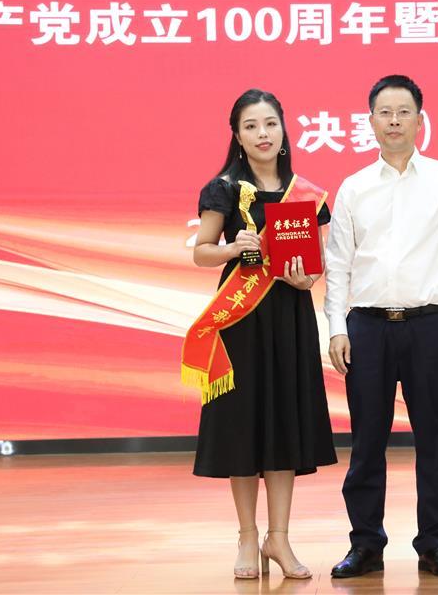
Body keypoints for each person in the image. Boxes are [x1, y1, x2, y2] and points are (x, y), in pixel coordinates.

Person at [324, 75, 438, 579]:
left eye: (403, 112)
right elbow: (338, 265)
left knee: (432, 438)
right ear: (370, 121)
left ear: (419, 119)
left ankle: (434, 543)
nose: (394, 121)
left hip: (430, 326)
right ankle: (365, 544)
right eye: (385, 113)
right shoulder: (353, 187)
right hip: (367, 327)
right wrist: (336, 327)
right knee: (367, 440)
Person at [182, 88, 337, 580]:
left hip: (290, 317)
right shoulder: (224, 189)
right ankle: (248, 537)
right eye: (251, 126)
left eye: (270, 123)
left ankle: (279, 539)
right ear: (237, 135)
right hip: (241, 323)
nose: (262, 134)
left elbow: (316, 262)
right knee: (245, 427)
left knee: (283, 426)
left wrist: (306, 279)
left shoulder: (305, 194)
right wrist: (233, 249)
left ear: (284, 129)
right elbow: (201, 251)